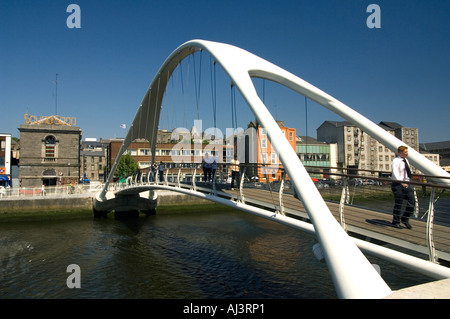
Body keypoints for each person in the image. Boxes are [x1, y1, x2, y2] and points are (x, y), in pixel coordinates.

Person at [390, 145, 415, 229]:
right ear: (400, 152)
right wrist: (401, 182)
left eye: (407, 152)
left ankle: (405, 218)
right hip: (397, 184)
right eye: (405, 152)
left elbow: (408, 172)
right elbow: (395, 173)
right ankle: (395, 222)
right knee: (398, 203)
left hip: (406, 184)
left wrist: (407, 182)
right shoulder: (396, 161)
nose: (407, 153)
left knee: (412, 202)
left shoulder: (406, 161)